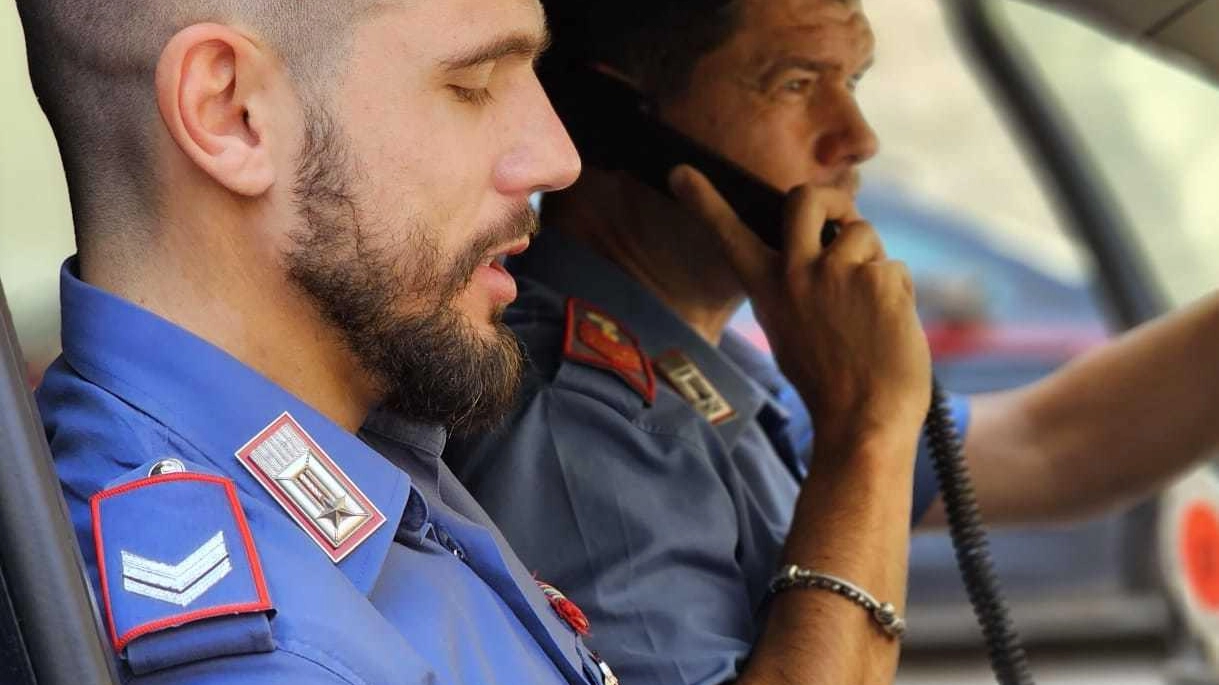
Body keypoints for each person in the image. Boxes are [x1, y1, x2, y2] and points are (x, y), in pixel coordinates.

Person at [375, 0, 1219, 684]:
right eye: (795, 83)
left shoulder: (697, 362)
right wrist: (869, 426)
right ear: (611, 120)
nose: (855, 136)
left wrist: (873, 427)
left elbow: (1051, 447)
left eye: (850, 79)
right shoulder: (580, 426)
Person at [9, 0, 658, 682]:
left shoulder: (362, 431)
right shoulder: (275, 660)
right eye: (473, 84)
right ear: (230, 112)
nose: (558, 159)